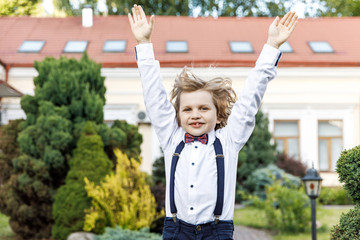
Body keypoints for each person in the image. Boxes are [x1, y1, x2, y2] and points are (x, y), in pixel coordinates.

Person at [128, 5, 297, 240]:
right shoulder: (171, 137)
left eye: (203, 108)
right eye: (187, 109)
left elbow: (249, 99)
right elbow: (154, 95)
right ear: (178, 116)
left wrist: (272, 46)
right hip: (176, 230)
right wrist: (144, 43)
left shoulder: (229, 140)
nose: (195, 114)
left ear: (218, 116)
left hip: (217, 231)